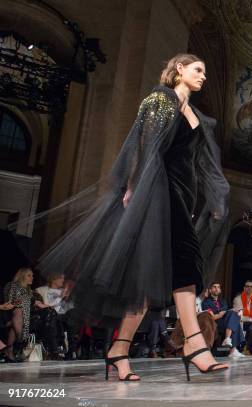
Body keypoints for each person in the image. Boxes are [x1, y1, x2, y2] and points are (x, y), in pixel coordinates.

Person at [11, 54, 230, 380]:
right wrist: (134, 185)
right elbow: (144, 144)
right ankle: (195, 345)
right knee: (187, 262)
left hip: (181, 197)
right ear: (179, 69)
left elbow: (199, 163)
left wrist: (213, 198)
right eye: (198, 69)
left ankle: (119, 350)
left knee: (147, 277)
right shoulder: (161, 98)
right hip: (159, 191)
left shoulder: (196, 114)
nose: (203, 77)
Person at [202, 282, 243, 358]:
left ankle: (228, 340)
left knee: (234, 314)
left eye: (218, 287)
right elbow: (212, 317)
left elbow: (226, 312)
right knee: (234, 320)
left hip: (225, 324)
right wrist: (221, 314)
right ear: (210, 290)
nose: (217, 289)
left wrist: (225, 313)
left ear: (220, 290)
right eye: (214, 287)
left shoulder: (223, 301)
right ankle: (233, 349)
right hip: (215, 324)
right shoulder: (206, 302)